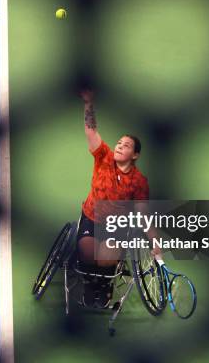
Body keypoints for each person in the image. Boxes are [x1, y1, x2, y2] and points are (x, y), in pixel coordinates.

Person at [77, 89, 160, 308]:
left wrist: (154, 242)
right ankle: (89, 283)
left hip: (115, 226)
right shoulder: (103, 157)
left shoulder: (139, 182)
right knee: (86, 253)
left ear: (135, 155)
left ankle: (105, 286)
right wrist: (88, 103)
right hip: (91, 216)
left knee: (106, 259)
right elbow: (91, 130)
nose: (119, 146)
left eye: (126, 145)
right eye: (119, 143)